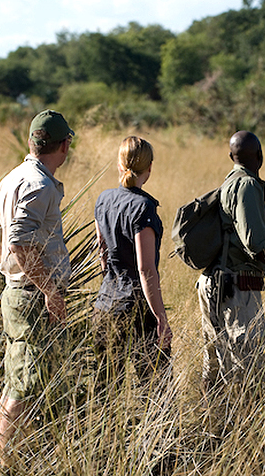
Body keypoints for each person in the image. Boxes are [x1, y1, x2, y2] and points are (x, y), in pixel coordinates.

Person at [0, 109, 74, 468]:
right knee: (23, 386)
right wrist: (48, 290)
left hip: (21, 292)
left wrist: (7, 270)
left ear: (31, 141)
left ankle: (22, 459)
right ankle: (8, 465)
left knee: (23, 379)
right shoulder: (38, 184)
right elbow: (19, 241)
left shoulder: (14, 177)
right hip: (33, 297)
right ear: (64, 145)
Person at [197, 130, 265, 391]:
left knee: (215, 362)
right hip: (236, 288)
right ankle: (244, 423)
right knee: (249, 369)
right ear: (260, 156)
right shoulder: (247, 185)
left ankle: (212, 420)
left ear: (230, 157)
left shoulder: (228, 183)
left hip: (213, 283)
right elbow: (255, 244)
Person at [93, 136, 172, 391]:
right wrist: (160, 318)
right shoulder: (144, 207)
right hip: (136, 309)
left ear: (119, 164)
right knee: (156, 390)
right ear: (149, 168)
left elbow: (102, 253)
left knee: (105, 391)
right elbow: (145, 268)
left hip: (105, 303)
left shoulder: (103, 200)